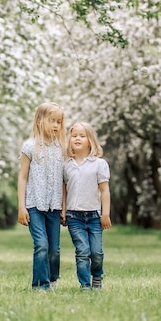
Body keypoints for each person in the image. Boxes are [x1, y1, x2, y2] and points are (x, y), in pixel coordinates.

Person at [17, 102, 66, 290]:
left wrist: (64, 206)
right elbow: (22, 178)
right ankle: (40, 286)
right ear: (39, 121)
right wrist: (21, 206)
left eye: (59, 122)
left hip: (54, 207)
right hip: (34, 205)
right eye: (52, 121)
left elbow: (64, 180)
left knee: (54, 250)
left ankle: (53, 279)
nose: (56, 125)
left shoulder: (61, 148)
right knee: (41, 245)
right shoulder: (29, 147)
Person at [62, 122, 111, 290]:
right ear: (69, 140)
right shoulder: (66, 164)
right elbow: (64, 191)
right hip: (74, 216)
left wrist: (105, 214)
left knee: (96, 253)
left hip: (94, 216)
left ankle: (97, 276)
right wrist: (63, 211)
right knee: (82, 252)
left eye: (82, 136)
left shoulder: (99, 164)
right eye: (74, 135)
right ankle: (85, 285)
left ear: (90, 140)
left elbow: (104, 190)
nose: (77, 138)